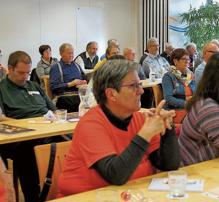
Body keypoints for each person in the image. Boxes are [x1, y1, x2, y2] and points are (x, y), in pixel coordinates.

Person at [57, 59, 180, 197]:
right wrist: (145, 133)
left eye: (139, 84)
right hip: (84, 197)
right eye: (133, 86)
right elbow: (116, 175)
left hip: (131, 195)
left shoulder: (139, 119)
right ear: (111, 94)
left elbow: (169, 165)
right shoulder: (91, 123)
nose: (141, 91)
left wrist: (167, 128)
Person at [0, 51, 57, 201]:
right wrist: (20, 124)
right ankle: (34, 197)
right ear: (10, 69)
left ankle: (59, 192)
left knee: (71, 141)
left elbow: (54, 110)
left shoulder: (34, 85)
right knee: (28, 152)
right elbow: (1, 118)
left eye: (27, 72)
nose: (25, 76)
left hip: (46, 130)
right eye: (21, 73)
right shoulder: (2, 88)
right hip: (20, 137)